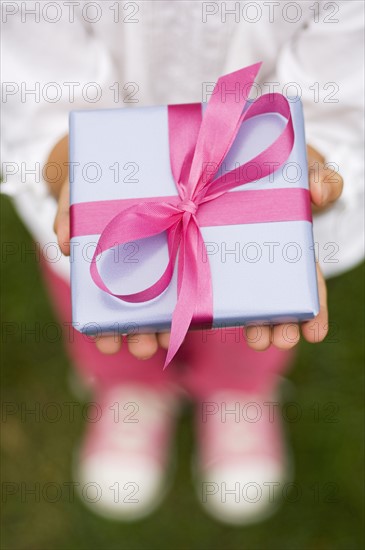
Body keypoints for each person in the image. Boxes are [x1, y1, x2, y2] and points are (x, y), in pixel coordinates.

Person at [2, 0, 363, 524]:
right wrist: (68, 158)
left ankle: (237, 394)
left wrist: (310, 155)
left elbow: (347, 63)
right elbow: (31, 52)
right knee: (112, 298)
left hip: (257, 183)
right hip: (107, 190)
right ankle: (131, 391)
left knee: (253, 310)